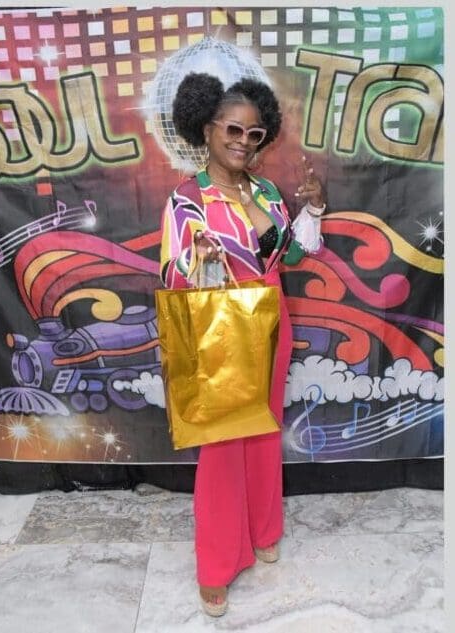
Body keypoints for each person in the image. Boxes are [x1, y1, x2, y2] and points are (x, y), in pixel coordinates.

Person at [159, 72, 325, 617]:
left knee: (263, 430)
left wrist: (313, 214)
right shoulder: (187, 201)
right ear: (206, 129)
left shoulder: (266, 191)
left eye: (255, 134)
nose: (243, 142)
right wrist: (201, 257)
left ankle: (262, 529)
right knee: (224, 445)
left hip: (273, 322)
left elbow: (290, 257)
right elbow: (174, 275)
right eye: (233, 129)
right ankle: (216, 564)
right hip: (222, 327)